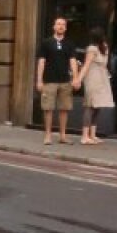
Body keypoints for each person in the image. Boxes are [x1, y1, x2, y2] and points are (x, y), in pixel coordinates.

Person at [36, 16, 77, 145]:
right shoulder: (46, 43)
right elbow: (41, 61)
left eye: (63, 25)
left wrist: (75, 78)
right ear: (54, 27)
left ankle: (62, 136)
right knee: (48, 108)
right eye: (58, 24)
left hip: (65, 80)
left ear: (65, 28)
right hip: (49, 80)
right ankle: (48, 135)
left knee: (64, 109)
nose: (60, 26)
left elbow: (73, 61)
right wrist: (39, 80)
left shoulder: (70, 44)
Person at [73, 27, 114, 145]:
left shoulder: (93, 48)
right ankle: (87, 135)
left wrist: (78, 79)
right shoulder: (104, 47)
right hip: (100, 78)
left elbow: (86, 65)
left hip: (94, 77)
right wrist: (79, 80)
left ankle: (90, 135)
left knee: (94, 106)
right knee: (92, 106)